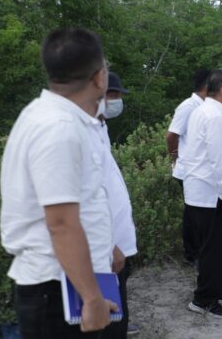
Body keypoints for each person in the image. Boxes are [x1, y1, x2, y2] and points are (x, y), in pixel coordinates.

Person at [0, 27, 118, 338]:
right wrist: (91, 299)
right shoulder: (58, 129)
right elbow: (61, 223)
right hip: (58, 290)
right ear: (98, 78)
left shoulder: (50, 116)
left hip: (72, 281)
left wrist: (109, 248)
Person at [183, 69, 222, 318]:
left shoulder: (206, 112)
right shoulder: (214, 117)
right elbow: (219, 162)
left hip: (206, 194)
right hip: (212, 196)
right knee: (213, 249)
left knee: (218, 247)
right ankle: (204, 299)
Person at [100, 72, 139, 338]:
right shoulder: (81, 131)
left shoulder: (100, 128)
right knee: (108, 321)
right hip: (103, 247)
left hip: (115, 242)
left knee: (117, 315)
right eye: (112, 95)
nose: (117, 101)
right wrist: (109, 244)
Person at [166, 69, 210, 266]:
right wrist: (175, 157)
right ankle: (192, 255)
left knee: (197, 214)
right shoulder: (188, 106)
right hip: (187, 171)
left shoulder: (207, 106)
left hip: (201, 170)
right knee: (193, 215)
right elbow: (171, 135)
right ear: (207, 85)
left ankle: (198, 253)